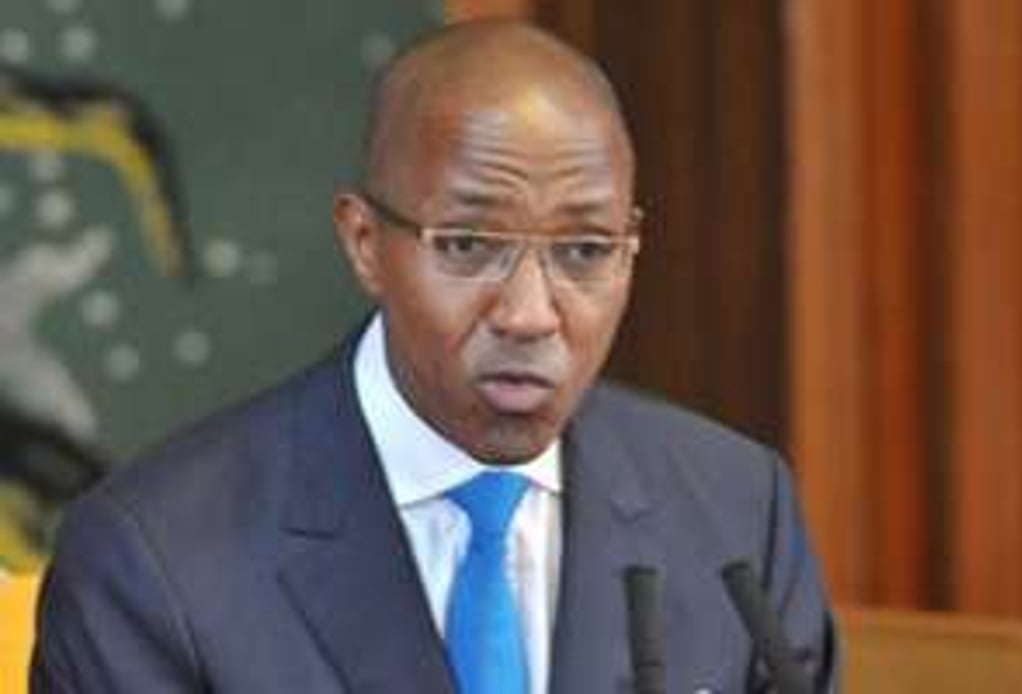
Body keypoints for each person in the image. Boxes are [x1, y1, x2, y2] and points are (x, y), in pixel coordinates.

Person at [32, 20, 836, 693]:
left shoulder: (734, 513)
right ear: (364, 244)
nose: (528, 314)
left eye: (586, 251)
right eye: (468, 244)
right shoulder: (154, 559)